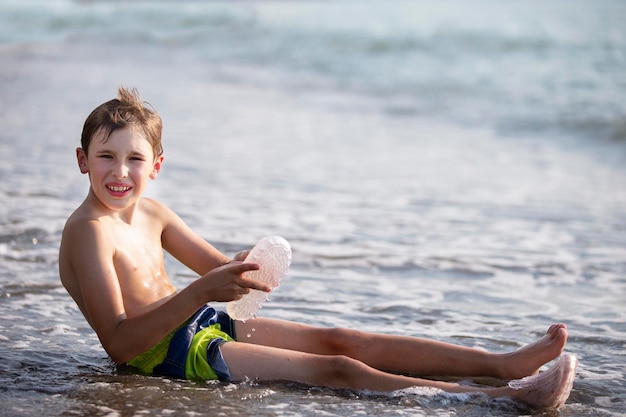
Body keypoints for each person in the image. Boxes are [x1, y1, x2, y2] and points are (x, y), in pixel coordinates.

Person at [59, 87, 577, 409]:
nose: (120, 172)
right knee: (340, 371)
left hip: (200, 326)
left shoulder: (152, 212)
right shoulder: (88, 232)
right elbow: (121, 345)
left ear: (157, 165)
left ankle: (501, 362)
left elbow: (218, 270)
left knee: (342, 338)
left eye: (134, 158)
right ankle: (503, 399)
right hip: (168, 356)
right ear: (83, 160)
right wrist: (202, 292)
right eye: (106, 156)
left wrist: (240, 267)